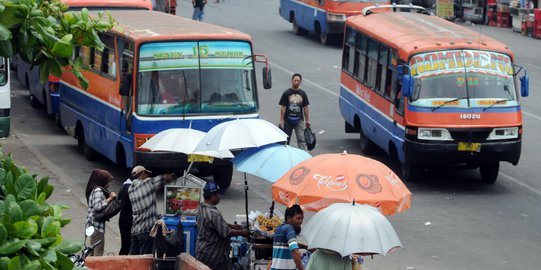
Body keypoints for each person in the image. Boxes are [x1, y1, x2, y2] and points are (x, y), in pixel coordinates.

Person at [195, 182, 250, 270]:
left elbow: (213, 224)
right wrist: (243, 233)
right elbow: (227, 233)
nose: (220, 196)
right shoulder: (214, 213)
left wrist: (232, 225)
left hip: (201, 251)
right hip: (213, 255)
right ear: (213, 196)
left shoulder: (202, 208)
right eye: (218, 194)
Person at [128, 166, 176, 255]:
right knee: (144, 260)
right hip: (145, 230)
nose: (148, 176)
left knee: (133, 259)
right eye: (147, 174)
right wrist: (172, 176)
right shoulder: (147, 183)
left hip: (135, 230)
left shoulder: (130, 188)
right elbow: (164, 178)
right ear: (142, 173)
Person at [84, 169, 116, 256]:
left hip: (92, 225)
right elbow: (97, 207)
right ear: (102, 181)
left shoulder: (94, 189)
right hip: (96, 227)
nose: (109, 184)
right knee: (98, 254)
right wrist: (110, 199)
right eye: (108, 181)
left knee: (92, 252)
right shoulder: (98, 190)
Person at [279, 73, 310, 150]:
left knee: (301, 139)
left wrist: (307, 120)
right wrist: (281, 120)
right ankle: (285, 154)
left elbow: (305, 108)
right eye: (295, 80)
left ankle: (303, 156)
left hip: (299, 120)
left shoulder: (303, 93)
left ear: (300, 82)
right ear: (292, 81)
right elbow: (283, 107)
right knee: (286, 139)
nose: (296, 82)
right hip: (288, 120)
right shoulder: (286, 93)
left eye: (298, 81)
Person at [270, 204, 305, 270]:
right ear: (289, 218)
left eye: (302, 218)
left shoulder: (279, 228)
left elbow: (289, 244)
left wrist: (305, 247)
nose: (301, 221)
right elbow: (294, 250)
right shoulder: (289, 228)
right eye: (298, 218)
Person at [117, 176, 133, 255]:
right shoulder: (129, 188)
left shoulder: (124, 186)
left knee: (125, 245)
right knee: (126, 246)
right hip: (127, 221)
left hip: (123, 220)